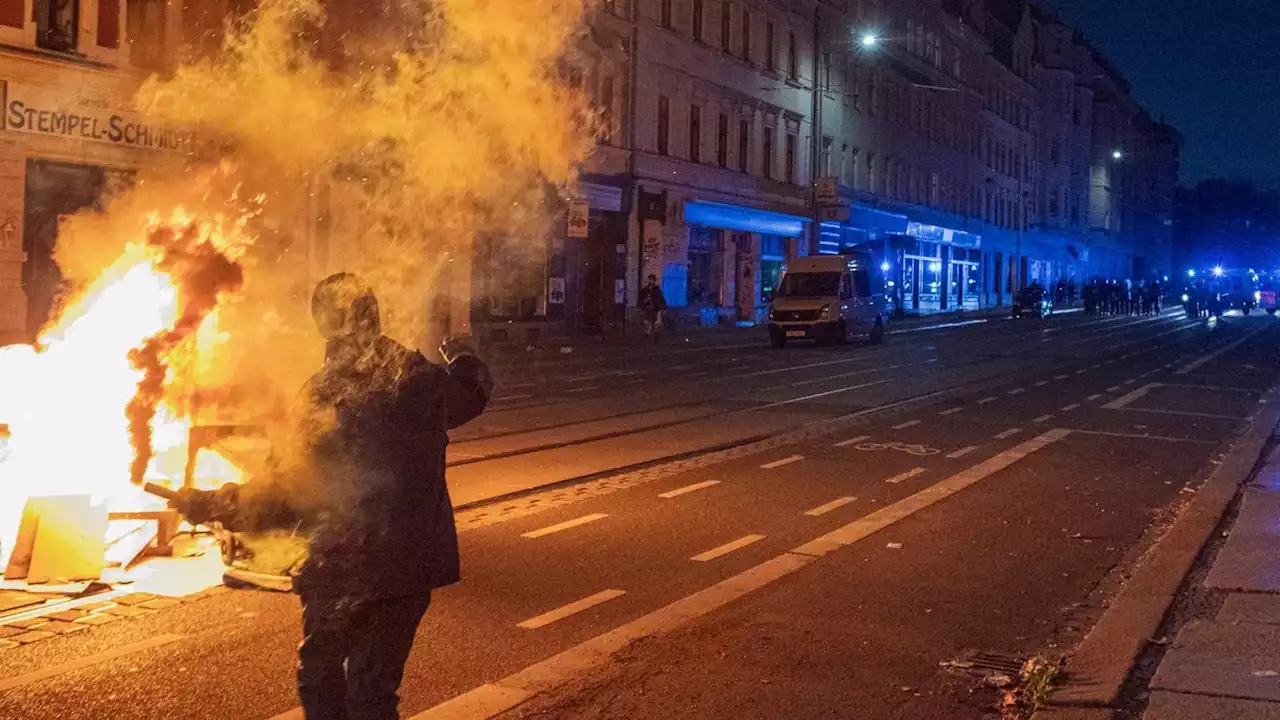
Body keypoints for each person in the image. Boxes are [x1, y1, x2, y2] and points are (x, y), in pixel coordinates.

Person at [170, 273, 492, 720]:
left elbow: (283, 489)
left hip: (342, 563)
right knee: (372, 692)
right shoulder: (416, 376)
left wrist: (212, 504)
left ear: (325, 323)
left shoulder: (324, 394)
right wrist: (462, 356)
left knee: (321, 677)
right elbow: (472, 395)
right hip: (405, 566)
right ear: (373, 316)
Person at [639, 274, 668, 341]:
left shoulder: (657, 289)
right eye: (650, 279)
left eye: (652, 280)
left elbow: (661, 299)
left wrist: (664, 308)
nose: (650, 281)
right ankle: (648, 334)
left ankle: (655, 334)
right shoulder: (645, 289)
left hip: (656, 308)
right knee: (647, 321)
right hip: (648, 308)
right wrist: (643, 302)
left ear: (654, 281)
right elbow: (641, 298)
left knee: (656, 323)